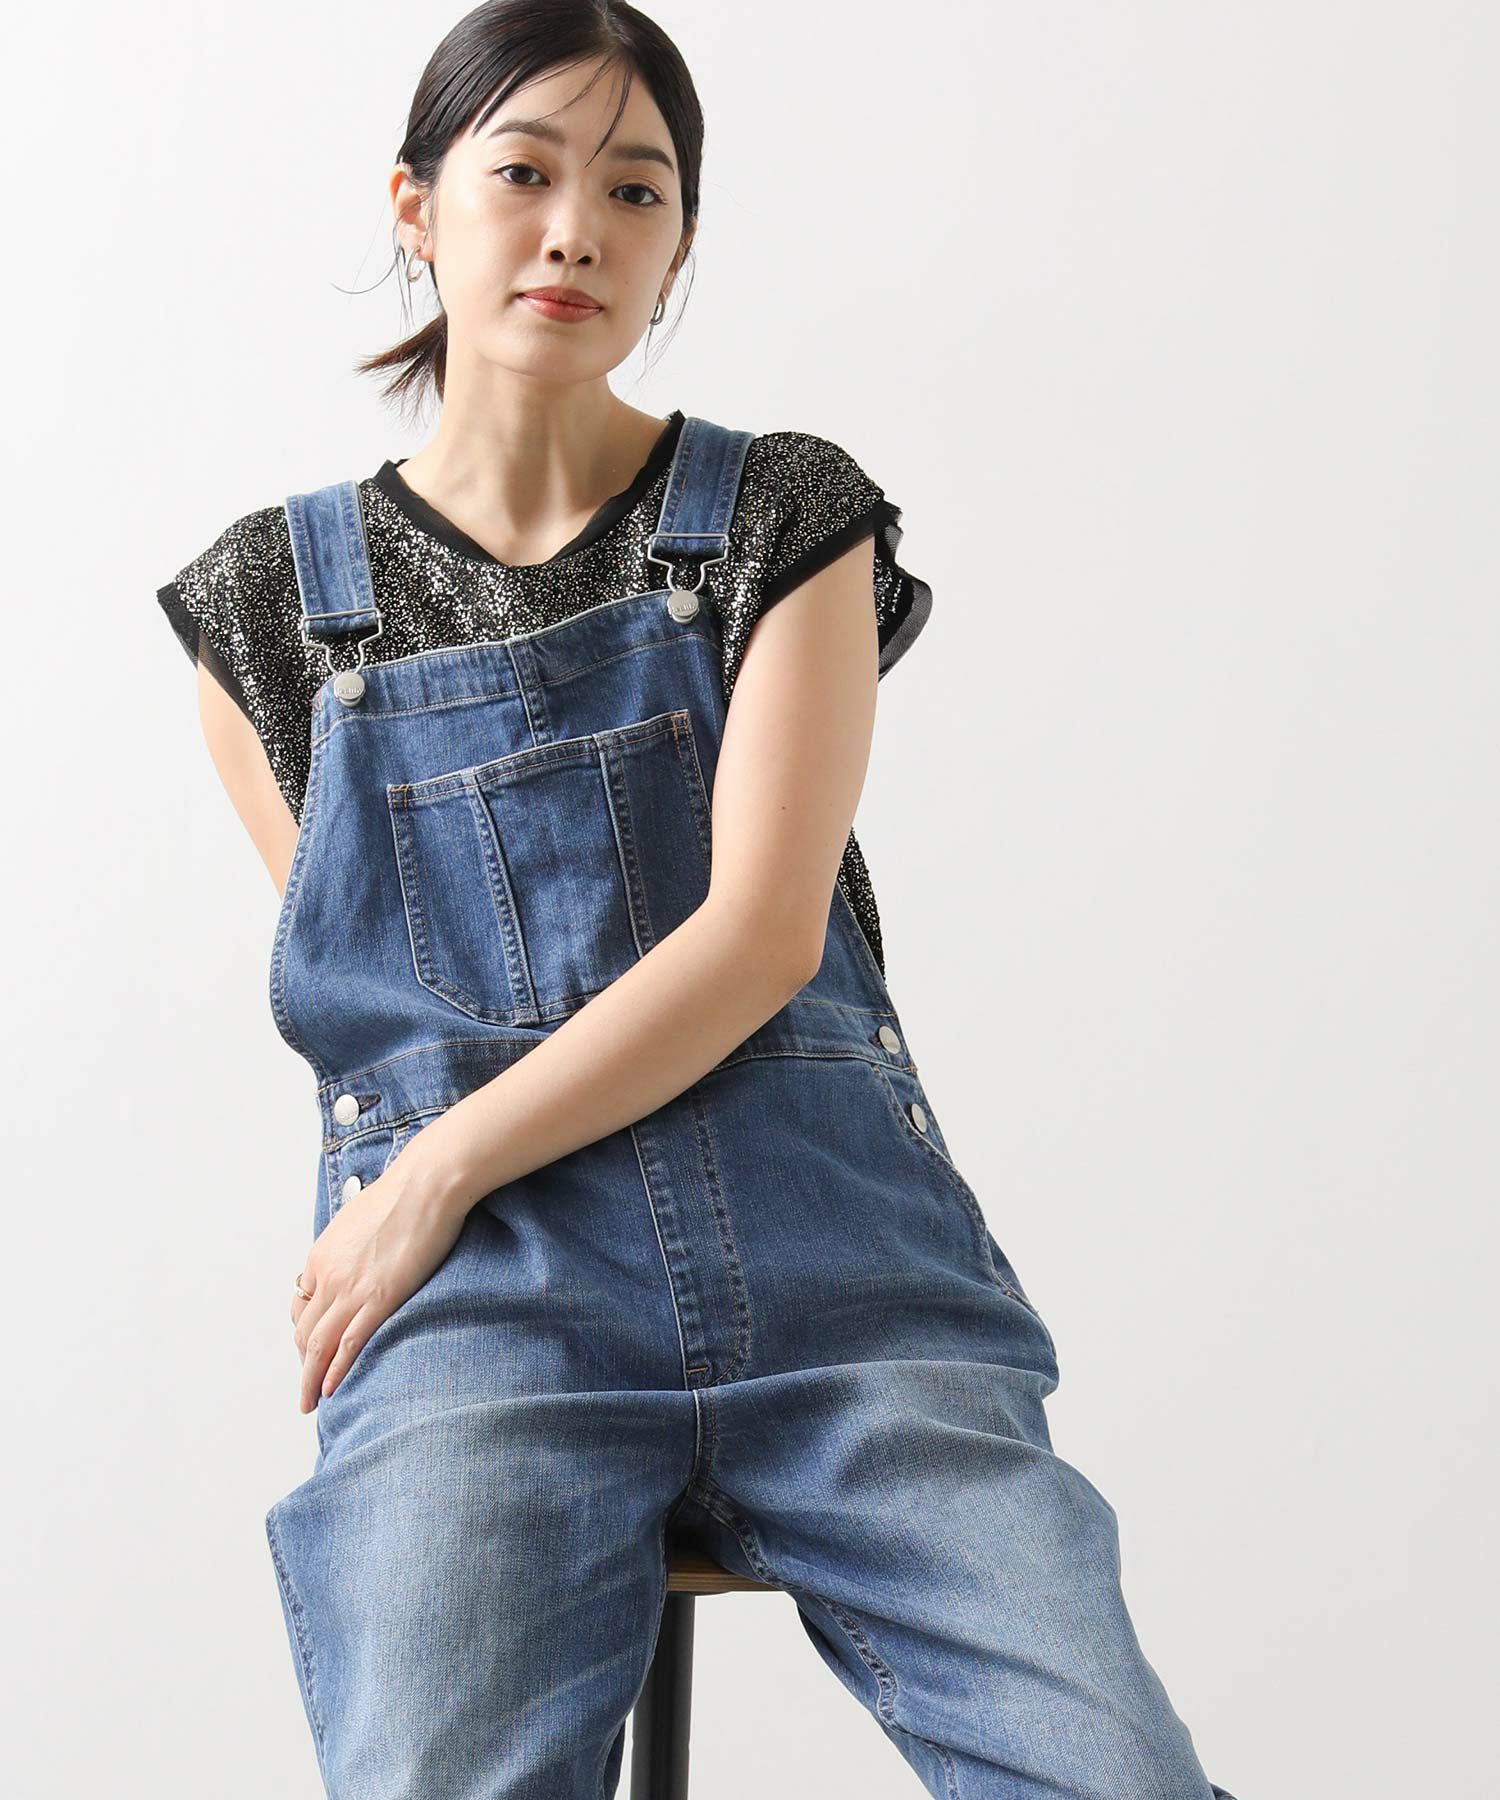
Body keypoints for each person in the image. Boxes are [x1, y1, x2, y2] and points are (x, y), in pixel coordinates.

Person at [155, 5, 1239, 1797]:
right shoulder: (265, 611)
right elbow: (376, 1011)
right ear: (416, 205)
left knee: (1110, 1770)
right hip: (491, 1314)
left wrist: (428, 1173)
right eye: (524, 172)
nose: (576, 228)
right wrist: (432, 1190)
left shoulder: (781, 518)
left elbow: (761, 940)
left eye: (636, 191)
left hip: (843, 1290)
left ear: (677, 242)